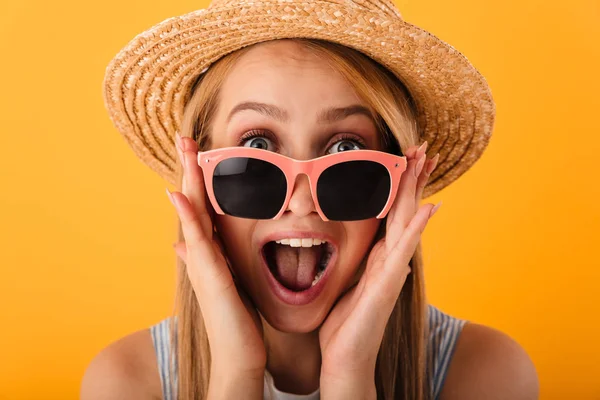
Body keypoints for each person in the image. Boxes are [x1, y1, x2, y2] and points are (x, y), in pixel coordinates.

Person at [82, 1, 539, 399]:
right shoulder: (126, 383)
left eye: (346, 149)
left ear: (398, 186)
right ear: (200, 178)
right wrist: (233, 376)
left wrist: (351, 378)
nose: (301, 203)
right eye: (258, 146)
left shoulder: (485, 374)